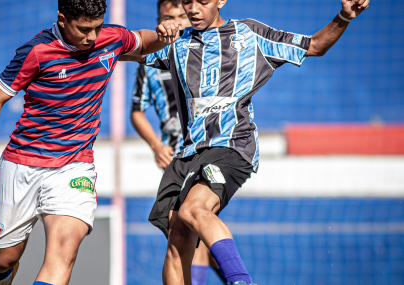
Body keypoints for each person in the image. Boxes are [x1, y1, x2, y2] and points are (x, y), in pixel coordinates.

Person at [139, 0, 369, 284]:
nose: (193, 9)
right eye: (188, 1)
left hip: (232, 143)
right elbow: (123, 48)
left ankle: (241, 281)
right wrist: (155, 34)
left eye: (203, 1)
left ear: (221, 0)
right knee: (177, 237)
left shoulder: (249, 34)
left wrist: (344, 16)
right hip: (187, 153)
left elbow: (315, 45)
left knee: (193, 209)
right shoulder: (176, 43)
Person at [0, 0, 180, 284]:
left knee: (64, 251)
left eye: (98, 28)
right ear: (62, 20)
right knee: (4, 258)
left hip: (74, 166)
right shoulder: (37, 51)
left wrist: (164, 32)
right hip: (22, 165)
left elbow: (143, 41)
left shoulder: (110, 38)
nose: (92, 37)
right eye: (84, 30)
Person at [130, 1, 226, 284]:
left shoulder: (206, 51)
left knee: (190, 225)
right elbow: (137, 112)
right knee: (191, 228)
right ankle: (236, 275)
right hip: (176, 154)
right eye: (168, 17)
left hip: (209, 148)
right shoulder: (151, 60)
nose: (176, 22)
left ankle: (235, 276)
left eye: (181, 16)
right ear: (159, 20)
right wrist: (156, 146)